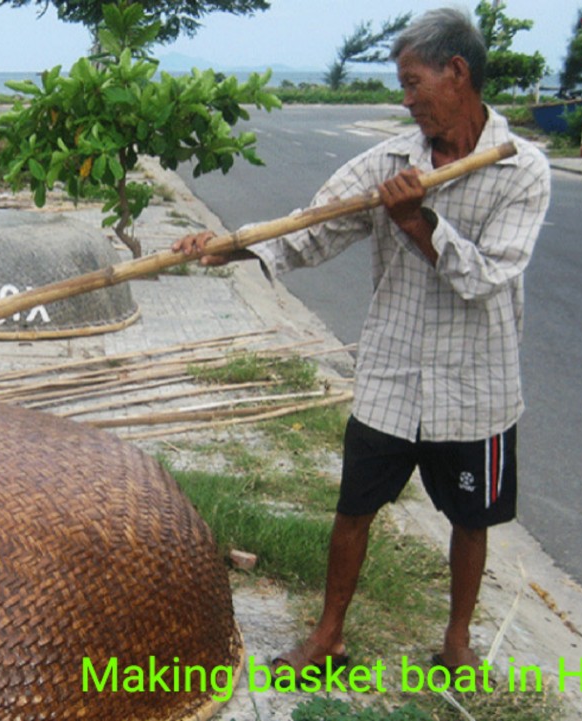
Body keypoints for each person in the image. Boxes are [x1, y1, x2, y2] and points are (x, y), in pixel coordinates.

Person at [173, 7, 551, 674]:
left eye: (413, 84)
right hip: (392, 377)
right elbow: (310, 226)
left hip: (477, 384)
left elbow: (489, 276)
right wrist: (230, 248)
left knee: (472, 517)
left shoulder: (521, 170)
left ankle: (458, 640)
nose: (406, 101)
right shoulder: (390, 162)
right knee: (353, 508)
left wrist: (417, 222)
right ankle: (329, 633)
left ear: (457, 73)